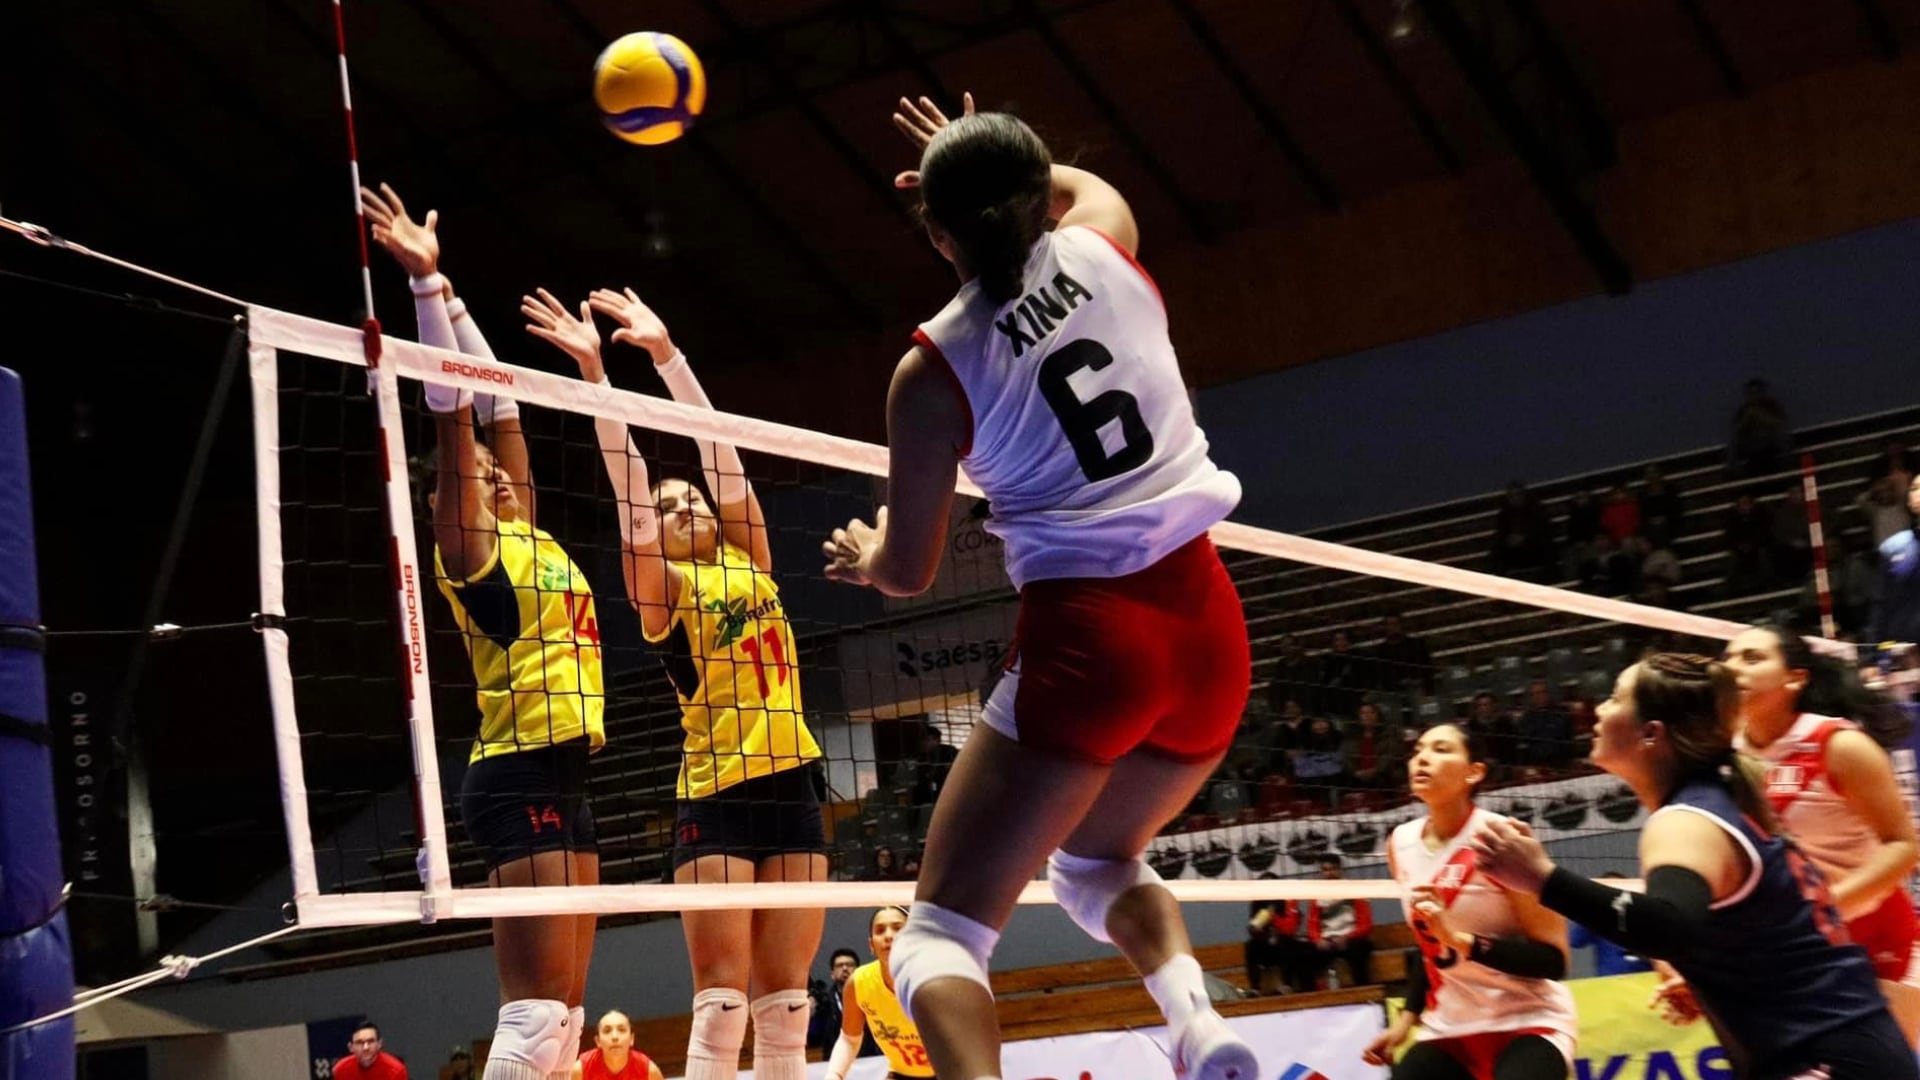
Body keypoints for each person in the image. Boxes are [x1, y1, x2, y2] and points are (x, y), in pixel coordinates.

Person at [820, 93, 1256, 1080]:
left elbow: (911, 570)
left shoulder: (931, 371)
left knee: (937, 936)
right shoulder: (1105, 241)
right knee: (1099, 863)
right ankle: (1197, 1022)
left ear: (933, 229)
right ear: (1034, 195)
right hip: (1207, 628)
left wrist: (866, 551)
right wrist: (974, 157)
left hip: (1089, 644)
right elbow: (1068, 181)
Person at [520, 285, 826, 1080]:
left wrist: (667, 358)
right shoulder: (664, 590)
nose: (686, 502)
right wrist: (597, 377)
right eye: (671, 503)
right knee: (722, 1005)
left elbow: (718, 448)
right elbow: (630, 487)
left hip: (794, 781)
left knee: (788, 1008)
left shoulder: (748, 554)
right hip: (716, 792)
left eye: (692, 498)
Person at [364, 185, 601, 1080]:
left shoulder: (531, 530)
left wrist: (457, 298)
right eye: (479, 480)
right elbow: (457, 417)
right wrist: (422, 292)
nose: (500, 480)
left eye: (504, 479)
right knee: (537, 1019)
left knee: (568, 1023)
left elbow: (499, 404)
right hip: (518, 772)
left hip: (571, 773)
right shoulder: (465, 545)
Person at [1473, 654, 1918, 1080]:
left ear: (1650, 733)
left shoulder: (1687, 821)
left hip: (1825, 1057)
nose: (1597, 709)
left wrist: (1541, 877)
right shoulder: (1719, 802)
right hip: (1841, 1048)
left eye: (1614, 698)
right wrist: (1704, 975)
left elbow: (1667, 926)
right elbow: (1754, 933)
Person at [1723, 624, 1920, 1040]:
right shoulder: (1727, 759)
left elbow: (1904, 847)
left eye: (1752, 657)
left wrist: (1826, 909)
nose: (1733, 667)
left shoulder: (1836, 743)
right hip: (1799, 950)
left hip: (1881, 936)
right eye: (1728, 658)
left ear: (1795, 678)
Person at [1361, 724, 1576, 1080]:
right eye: (1418, 751)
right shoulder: (1401, 843)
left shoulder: (1502, 839)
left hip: (1529, 1022)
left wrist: (1462, 941)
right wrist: (1406, 1020)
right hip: (1449, 1029)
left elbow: (1554, 961)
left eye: (1442, 749)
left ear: (1474, 772)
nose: (1422, 758)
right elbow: (1429, 946)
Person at [828, 906, 935, 1080]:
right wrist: (834, 1075)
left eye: (898, 928)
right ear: (871, 945)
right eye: (880, 930)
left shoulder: (937, 980)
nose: (888, 936)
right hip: (900, 1075)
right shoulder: (859, 982)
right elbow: (849, 1040)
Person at [1870, 474, 1920, 646]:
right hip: (1908, 650)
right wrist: (1875, 656)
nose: (1919, 492)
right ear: (1908, 501)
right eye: (1914, 488)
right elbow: (1881, 605)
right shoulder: (1893, 547)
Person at [572, 1012, 664, 1080]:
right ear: (598, 1041)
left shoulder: (649, 1071)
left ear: (631, 1039)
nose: (615, 1037)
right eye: (607, 1031)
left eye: (621, 1030)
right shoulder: (580, 1070)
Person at [336, 1022, 409, 1080]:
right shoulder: (341, 1069)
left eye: (370, 1041)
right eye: (359, 1042)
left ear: (379, 1044)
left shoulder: (396, 1071)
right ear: (351, 1047)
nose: (365, 1047)